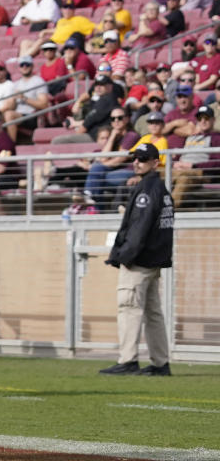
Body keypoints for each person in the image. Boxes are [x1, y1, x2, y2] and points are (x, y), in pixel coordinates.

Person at [100, 143, 173, 376]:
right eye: (135, 158)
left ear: (155, 162)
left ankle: (128, 359)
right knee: (153, 313)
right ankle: (160, 363)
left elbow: (138, 230)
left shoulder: (147, 191)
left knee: (129, 308)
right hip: (154, 261)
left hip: (139, 262)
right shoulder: (160, 188)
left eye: (142, 159)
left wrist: (123, 257)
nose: (136, 162)